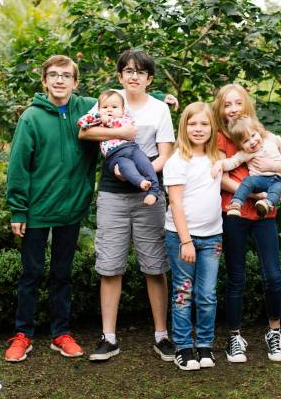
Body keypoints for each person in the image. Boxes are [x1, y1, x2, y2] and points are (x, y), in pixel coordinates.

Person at [5, 55, 117, 362]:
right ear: (44, 81)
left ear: (75, 82)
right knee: (31, 273)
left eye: (66, 75)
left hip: (71, 208)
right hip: (37, 210)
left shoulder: (87, 109)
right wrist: (18, 209)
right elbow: (18, 166)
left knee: (62, 274)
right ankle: (23, 335)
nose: (59, 80)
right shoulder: (32, 117)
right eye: (53, 75)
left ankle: (60, 333)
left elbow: (121, 101)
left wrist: (161, 97)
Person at [79, 49, 176, 362]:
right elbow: (85, 130)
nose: (134, 76)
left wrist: (140, 175)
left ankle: (162, 335)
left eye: (141, 72)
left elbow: (165, 153)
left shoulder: (160, 109)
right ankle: (108, 337)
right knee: (110, 266)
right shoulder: (109, 100)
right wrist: (122, 132)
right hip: (111, 193)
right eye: (128, 71)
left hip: (148, 190)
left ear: (149, 79)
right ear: (120, 75)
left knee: (155, 266)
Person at [212, 84, 281, 363]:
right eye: (227, 104)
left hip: (264, 215)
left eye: (238, 103)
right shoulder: (219, 139)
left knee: (273, 275)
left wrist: (275, 177)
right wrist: (255, 192)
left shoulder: (262, 136)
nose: (233, 109)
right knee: (236, 277)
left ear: (247, 105)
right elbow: (221, 176)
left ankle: (274, 332)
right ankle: (234, 336)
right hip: (234, 213)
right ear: (220, 108)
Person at [163, 102, 223, 371]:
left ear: (212, 128)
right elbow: (175, 203)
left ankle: (205, 345)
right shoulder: (177, 161)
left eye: (204, 124)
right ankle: (183, 347)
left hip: (213, 237)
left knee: (207, 295)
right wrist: (186, 241)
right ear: (184, 127)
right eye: (192, 123)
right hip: (182, 238)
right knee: (183, 293)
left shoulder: (216, 158)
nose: (198, 129)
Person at [78, 90, 160, 205]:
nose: (109, 110)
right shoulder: (98, 122)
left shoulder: (126, 118)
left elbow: (127, 127)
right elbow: (81, 123)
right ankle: (141, 182)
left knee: (145, 164)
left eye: (114, 107)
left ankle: (153, 191)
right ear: (99, 109)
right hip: (114, 156)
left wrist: (109, 120)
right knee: (126, 167)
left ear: (123, 110)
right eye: (105, 107)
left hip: (132, 148)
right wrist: (98, 116)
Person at [212, 115, 281, 218]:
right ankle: (236, 204)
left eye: (253, 135)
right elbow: (232, 162)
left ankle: (266, 204)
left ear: (258, 131)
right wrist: (220, 163)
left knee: (279, 189)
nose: (252, 142)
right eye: (245, 141)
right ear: (240, 145)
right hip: (259, 179)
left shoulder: (270, 139)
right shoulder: (245, 153)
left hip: (278, 179)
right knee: (248, 181)